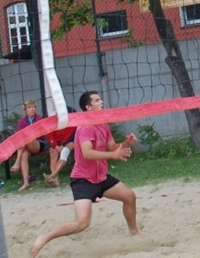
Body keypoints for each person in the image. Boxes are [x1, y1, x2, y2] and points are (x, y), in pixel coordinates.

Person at [29, 91, 139, 257]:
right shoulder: (86, 126)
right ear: (88, 107)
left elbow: (112, 147)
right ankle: (45, 237)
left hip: (100, 177)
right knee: (81, 223)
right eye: (97, 100)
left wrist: (125, 144)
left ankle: (134, 232)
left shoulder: (102, 123)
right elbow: (88, 153)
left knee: (129, 196)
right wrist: (114, 155)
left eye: (100, 99)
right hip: (83, 180)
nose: (101, 101)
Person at [11, 100, 47, 191]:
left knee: (25, 138)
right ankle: (26, 182)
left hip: (38, 144)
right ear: (25, 110)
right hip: (25, 146)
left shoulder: (39, 119)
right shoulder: (22, 121)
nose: (32, 109)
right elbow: (19, 136)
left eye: (33, 107)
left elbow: (40, 134)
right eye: (29, 108)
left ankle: (17, 162)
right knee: (24, 155)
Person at [43, 106, 77, 187]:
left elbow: (71, 134)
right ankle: (55, 180)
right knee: (53, 153)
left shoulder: (71, 113)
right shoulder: (51, 117)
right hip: (56, 143)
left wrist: (63, 144)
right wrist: (55, 146)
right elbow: (49, 134)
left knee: (65, 151)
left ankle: (53, 175)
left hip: (69, 141)